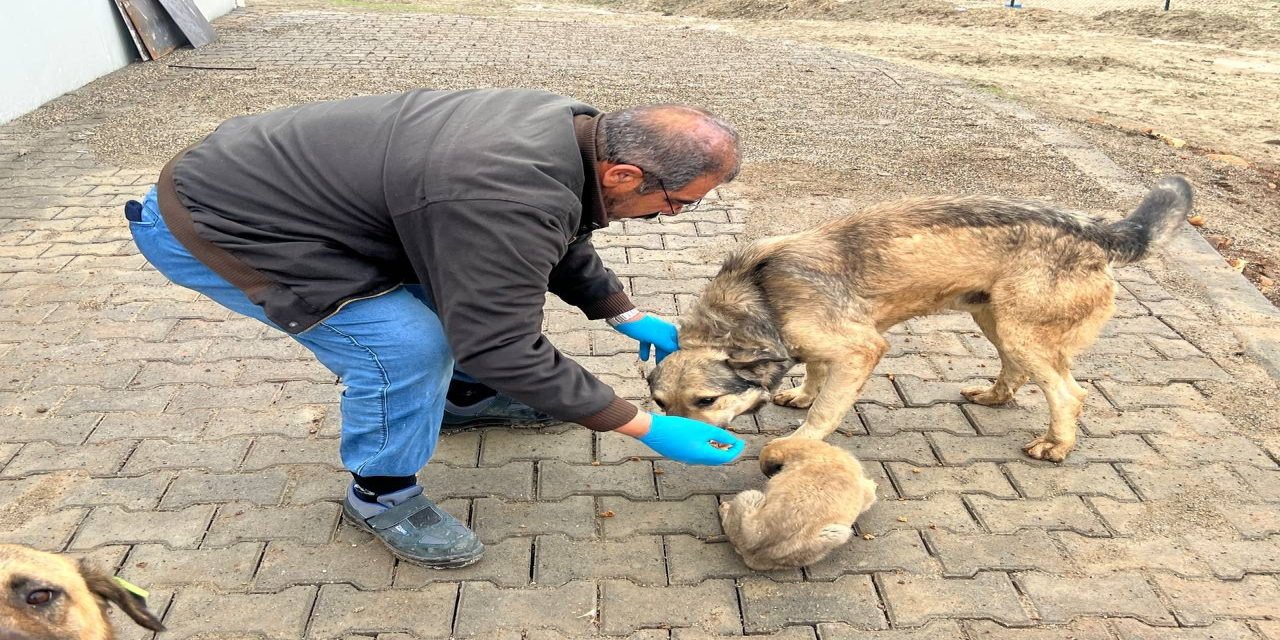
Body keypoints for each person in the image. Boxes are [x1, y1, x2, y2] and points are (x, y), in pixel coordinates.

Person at [124, 88, 747, 568]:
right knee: (407, 348)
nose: (671, 215)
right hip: (224, 222)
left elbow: (555, 229)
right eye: (678, 202)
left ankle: (464, 399)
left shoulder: (574, 133)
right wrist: (644, 425)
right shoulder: (504, 189)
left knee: (459, 297)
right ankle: (382, 493)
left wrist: (623, 312)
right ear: (624, 174)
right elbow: (503, 342)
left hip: (299, 197)